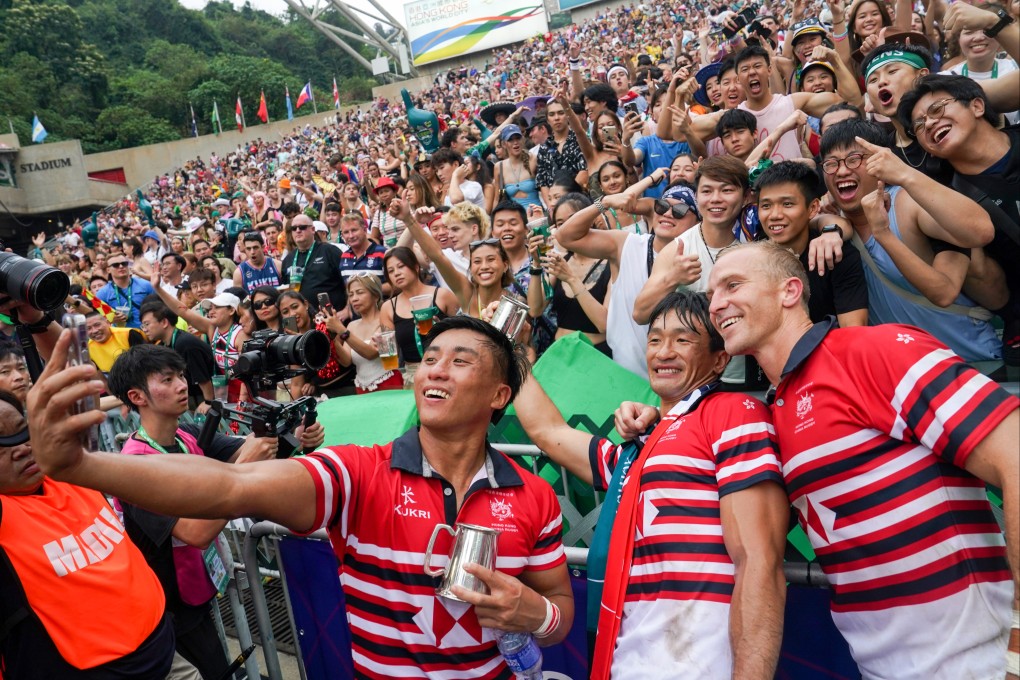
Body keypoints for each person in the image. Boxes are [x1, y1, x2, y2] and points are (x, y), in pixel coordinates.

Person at [28, 317, 575, 679]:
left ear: (500, 394)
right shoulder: (359, 471)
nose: (434, 368)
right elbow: (230, 486)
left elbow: (561, 612)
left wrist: (538, 615)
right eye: (429, 356)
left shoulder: (535, 496)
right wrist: (83, 466)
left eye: (460, 361)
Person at [703, 240, 1019, 680]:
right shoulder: (775, 410)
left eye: (732, 285)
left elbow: (1016, 456)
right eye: (711, 294)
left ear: (790, 291)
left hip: (977, 662)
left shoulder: (872, 350)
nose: (717, 305)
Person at [514, 291, 787, 680]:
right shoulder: (640, 447)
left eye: (683, 339)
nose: (664, 351)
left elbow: (760, 561)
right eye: (655, 339)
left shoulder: (733, 413)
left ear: (720, 357)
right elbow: (549, 431)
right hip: (628, 657)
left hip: (702, 662)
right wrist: (512, 351)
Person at [107, 345, 319, 679]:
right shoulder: (133, 468)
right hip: (161, 609)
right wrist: (243, 467)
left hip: (192, 595)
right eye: (167, 379)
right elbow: (195, 533)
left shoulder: (187, 434)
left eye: (180, 375)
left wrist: (297, 437)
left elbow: (256, 453)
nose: (181, 385)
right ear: (137, 396)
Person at [0, 390, 178, 678]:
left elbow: (82, 388)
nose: (20, 448)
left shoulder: (71, 468)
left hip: (166, 654)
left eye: (22, 432)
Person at [899, 73, 1020, 365]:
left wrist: (997, 24)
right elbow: (945, 288)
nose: (928, 123)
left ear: (977, 106)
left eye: (937, 109)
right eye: (918, 125)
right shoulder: (943, 198)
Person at [754, 160, 869, 326]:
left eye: (787, 204)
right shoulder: (753, 257)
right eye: (766, 206)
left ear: (813, 208)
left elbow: (853, 331)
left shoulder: (836, 256)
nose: (774, 215)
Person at [379, 247, 459, 385]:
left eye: (401, 267)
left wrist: (440, 327)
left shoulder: (442, 296)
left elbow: (463, 333)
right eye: (391, 271)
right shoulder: (388, 308)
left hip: (447, 369)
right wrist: (380, 344)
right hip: (413, 375)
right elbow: (391, 351)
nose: (396, 273)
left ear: (416, 267)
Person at [328, 275, 404, 394]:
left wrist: (341, 330)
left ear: (376, 295)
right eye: (351, 294)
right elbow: (346, 361)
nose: (354, 299)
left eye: (359, 292)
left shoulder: (385, 319)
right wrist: (331, 339)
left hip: (389, 384)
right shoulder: (351, 326)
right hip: (361, 388)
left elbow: (371, 353)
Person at [138, 301, 216, 411]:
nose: (144, 329)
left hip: (207, 397)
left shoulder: (185, 343)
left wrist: (209, 402)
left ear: (164, 322)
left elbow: (203, 378)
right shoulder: (163, 344)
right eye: (143, 325)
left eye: (147, 324)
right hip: (191, 396)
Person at [280, 214, 348, 314]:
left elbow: (348, 284)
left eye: (302, 227)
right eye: (294, 228)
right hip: (303, 320)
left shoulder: (330, 251)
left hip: (332, 316)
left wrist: (347, 310)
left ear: (312, 229)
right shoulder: (288, 260)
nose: (298, 230)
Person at [96, 253, 156, 329]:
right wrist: (109, 319)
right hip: (120, 336)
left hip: (146, 334)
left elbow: (158, 308)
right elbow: (98, 319)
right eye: (116, 265)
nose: (121, 267)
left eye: (124, 264)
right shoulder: (102, 294)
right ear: (108, 270)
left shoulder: (146, 285)